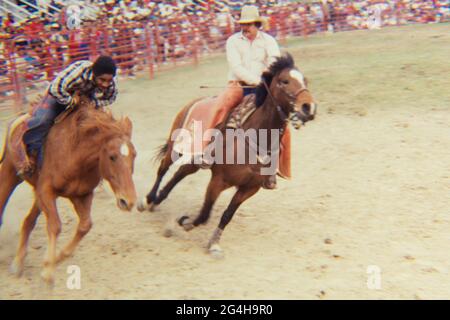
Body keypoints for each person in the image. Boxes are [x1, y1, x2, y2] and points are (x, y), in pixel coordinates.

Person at [205, 5, 283, 189]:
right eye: (243, 24)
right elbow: (236, 67)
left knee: (279, 121)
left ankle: (273, 168)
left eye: (248, 24)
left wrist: (267, 76)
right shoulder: (233, 41)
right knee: (222, 106)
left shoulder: (268, 41)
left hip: (264, 86)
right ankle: (207, 149)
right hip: (240, 85)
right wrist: (256, 81)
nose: (245, 28)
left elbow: (274, 60)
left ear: (257, 24)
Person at [19, 56, 118, 176]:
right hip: (59, 95)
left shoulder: (111, 82)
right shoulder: (78, 72)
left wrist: (95, 103)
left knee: (101, 125)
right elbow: (55, 88)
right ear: (94, 74)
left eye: (108, 81)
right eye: (102, 80)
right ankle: (32, 153)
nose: (105, 84)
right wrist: (72, 102)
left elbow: (110, 97)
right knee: (43, 120)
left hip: (86, 98)